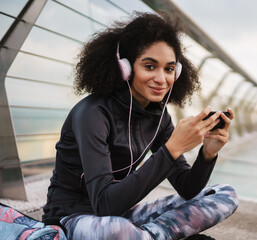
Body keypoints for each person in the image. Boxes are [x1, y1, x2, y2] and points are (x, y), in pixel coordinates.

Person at [42, 12, 238, 240]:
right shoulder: (93, 113)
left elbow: (187, 189)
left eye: (169, 69)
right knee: (117, 231)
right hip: (72, 221)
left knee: (224, 194)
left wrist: (207, 154)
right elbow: (105, 205)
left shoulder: (159, 118)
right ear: (125, 67)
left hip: (122, 217)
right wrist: (172, 149)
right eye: (150, 66)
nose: (161, 79)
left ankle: (145, 236)